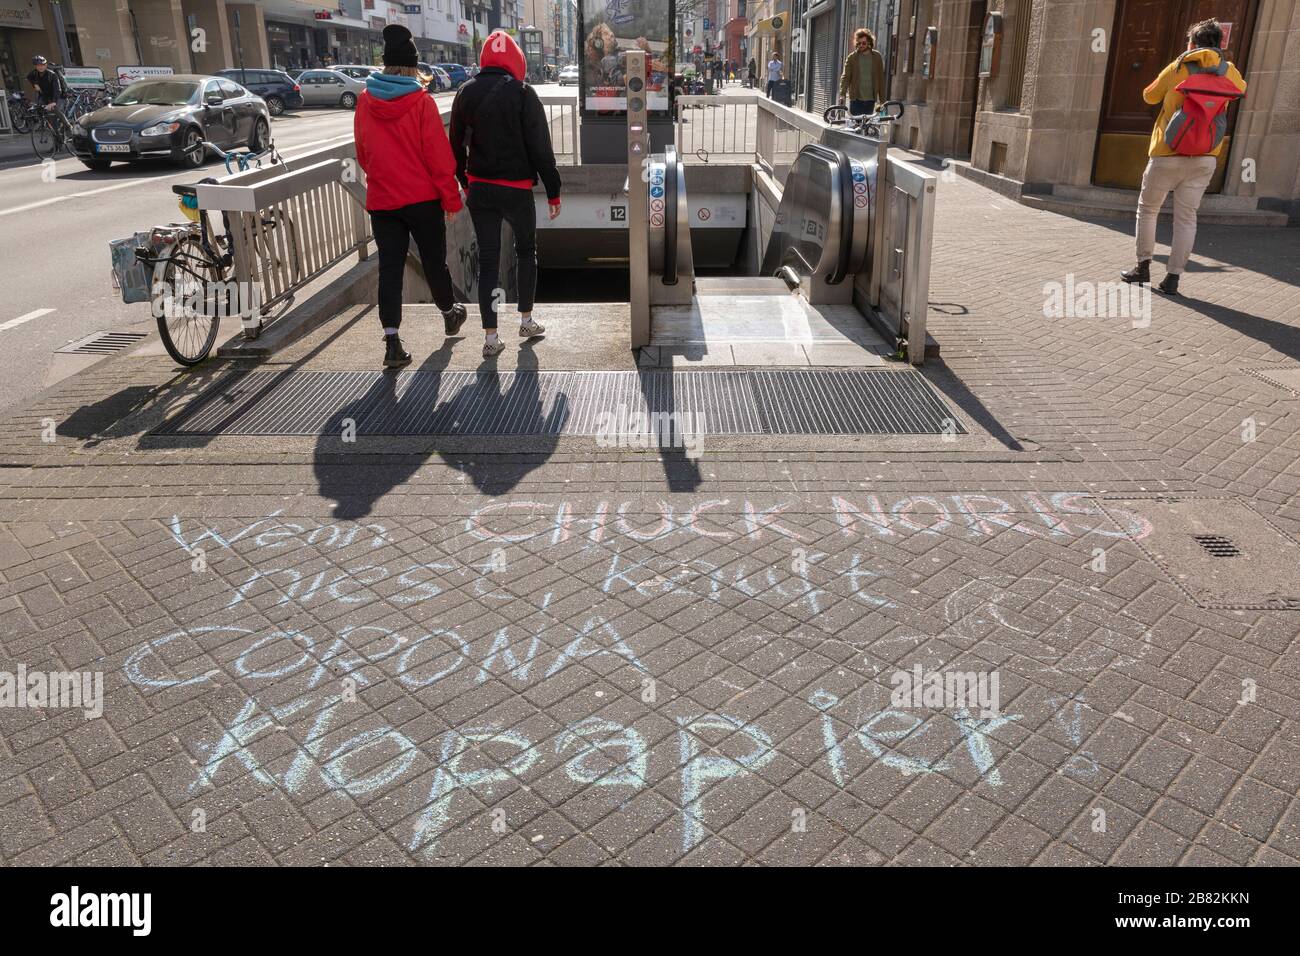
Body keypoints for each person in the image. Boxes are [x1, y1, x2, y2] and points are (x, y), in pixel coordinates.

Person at [354, 24, 467, 368]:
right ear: (412, 66)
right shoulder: (420, 103)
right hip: (422, 201)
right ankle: (449, 313)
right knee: (433, 261)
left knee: (390, 268)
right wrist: (451, 199)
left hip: (383, 202)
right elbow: (439, 159)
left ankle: (392, 342)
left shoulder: (364, 101)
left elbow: (363, 152)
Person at [451, 30, 562, 358]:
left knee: (487, 261)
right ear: (517, 60)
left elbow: (455, 145)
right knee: (526, 251)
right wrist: (553, 192)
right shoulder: (523, 93)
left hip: (481, 188)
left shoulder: (465, 92)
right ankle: (526, 320)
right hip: (515, 190)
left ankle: (490, 338)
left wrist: (464, 180)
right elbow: (541, 148)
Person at [1120, 18, 1245, 297]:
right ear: (1219, 44)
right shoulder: (1230, 72)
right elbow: (1241, 91)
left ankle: (1142, 268)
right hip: (1205, 155)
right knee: (1187, 218)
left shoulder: (1178, 67)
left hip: (1167, 151)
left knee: (1148, 210)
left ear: (1191, 43)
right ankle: (1173, 279)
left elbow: (1149, 97)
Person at [839, 28, 885, 117]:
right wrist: (842, 94)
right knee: (855, 127)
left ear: (869, 42)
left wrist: (883, 101)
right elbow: (845, 77)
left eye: (863, 43)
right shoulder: (852, 58)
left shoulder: (877, 57)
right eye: (859, 43)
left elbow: (881, 79)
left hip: (870, 100)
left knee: (867, 127)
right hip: (856, 100)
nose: (861, 45)